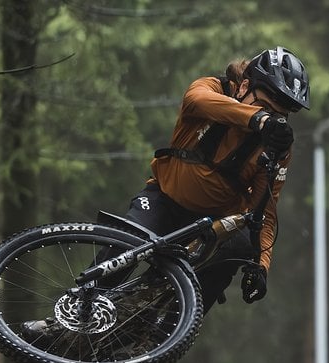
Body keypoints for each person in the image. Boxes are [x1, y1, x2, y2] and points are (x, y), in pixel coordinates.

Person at [124, 45, 310, 312]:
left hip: (208, 227)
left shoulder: (275, 144)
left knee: (244, 240)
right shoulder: (213, 88)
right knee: (123, 248)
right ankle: (74, 309)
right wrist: (259, 119)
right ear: (244, 85)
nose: (272, 118)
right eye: (266, 107)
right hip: (164, 199)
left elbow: (264, 212)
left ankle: (163, 330)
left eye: (280, 115)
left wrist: (261, 266)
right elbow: (196, 100)